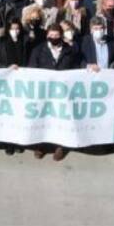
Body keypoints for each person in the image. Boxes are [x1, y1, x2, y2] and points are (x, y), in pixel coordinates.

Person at [27, 25, 82, 161]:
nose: (54, 38)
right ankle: (41, 145)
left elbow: (76, 68)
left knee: (61, 119)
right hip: (44, 91)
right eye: (51, 35)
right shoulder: (38, 50)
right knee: (43, 118)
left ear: (61, 36)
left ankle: (60, 146)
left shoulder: (69, 50)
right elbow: (31, 69)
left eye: (57, 36)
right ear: (47, 35)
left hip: (63, 92)